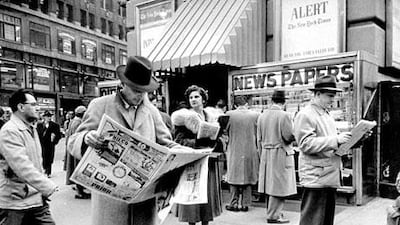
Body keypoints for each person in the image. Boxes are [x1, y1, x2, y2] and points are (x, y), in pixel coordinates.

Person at [67, 56, 178, 225]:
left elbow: (166, 143)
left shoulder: (152, 112)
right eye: (135, 90)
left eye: (144, 91)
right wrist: (85, 138)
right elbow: (73, 140)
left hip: (143, 202)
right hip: (110, 202)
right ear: (123, 84)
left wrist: (185, 153)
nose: (140, 96)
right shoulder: (100, 105)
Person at [294, 75, 352, 225]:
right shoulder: (306, 114)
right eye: (329, 96)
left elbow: (327, 143)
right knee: (312, 220)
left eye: (333, 96)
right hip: (316, 177)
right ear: (317, 94)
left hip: (327, 175)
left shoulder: (326, 114)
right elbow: (305, 144)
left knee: (325, 220)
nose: (333, 100)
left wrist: (353, 141)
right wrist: (336, 140)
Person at [0, 89, 58, 225]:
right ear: (21, 107)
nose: (37, 108)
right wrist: (47, 185)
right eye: (33, 104)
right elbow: (22, 166)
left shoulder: (30, 128)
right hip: (14, 203)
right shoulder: (10, 131)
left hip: (36, 198)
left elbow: (36, 162)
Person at [171, 85, 222, 225]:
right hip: (192, 160)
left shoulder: (210, 116)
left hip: (208, 159)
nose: (193, 99)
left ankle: (206, 222)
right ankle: (192, 223)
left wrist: (216, 139)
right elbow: (179, 141)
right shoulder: (183, 117)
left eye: (196, 97)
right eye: (191, 97)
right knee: (192, 196)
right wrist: (198, 142)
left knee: (207, 195)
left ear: (203, 99)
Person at [257, 90, 297, 223]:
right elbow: (288, 136)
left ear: (271, 100)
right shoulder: (284, 115)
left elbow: (258, 138)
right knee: (279, 185)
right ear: (284, 102)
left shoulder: (262, 116)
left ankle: (272, 212)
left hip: (266, 153)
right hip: (280, 152)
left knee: (270, 184)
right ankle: (274, 215)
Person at [224, 95, 260, 212]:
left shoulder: (228, 115)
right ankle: (245, 204)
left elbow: (224, 133)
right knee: (248, 176)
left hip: (234, 149)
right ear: (246, 104)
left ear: (235, 105)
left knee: (234, 177)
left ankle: (233, 203)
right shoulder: (255, 115)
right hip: (251, 149)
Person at [65, 105, 90, 199]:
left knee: (76, 168)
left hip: (73, 149)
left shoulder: (73, 121)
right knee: (79, 169)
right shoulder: (78, 122)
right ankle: (80, 191)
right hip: (77, 149)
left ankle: (79, 188)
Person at [37, 110, 62, 177]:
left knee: (49, 158)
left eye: (50, 116)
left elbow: (58, 135)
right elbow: (37, 135)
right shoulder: (39, 125)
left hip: (50, 145)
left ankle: (48, 172)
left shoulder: (55, 125)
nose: (49, 118)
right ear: (44, 117)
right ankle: (45, 169)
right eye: (47, 116)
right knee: (43, 157)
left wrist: (54, 142)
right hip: (42, 144)